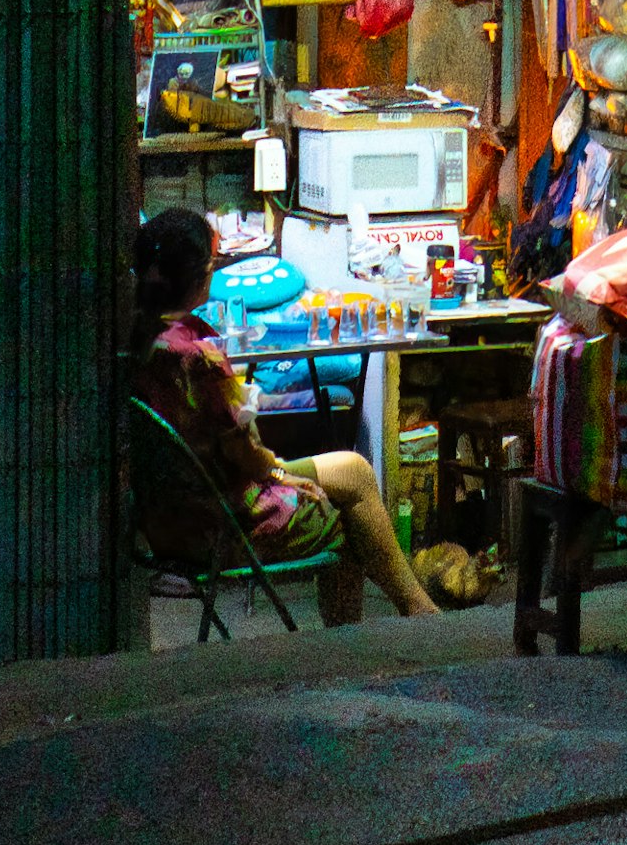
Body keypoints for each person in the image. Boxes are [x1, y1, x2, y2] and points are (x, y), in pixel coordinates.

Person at [128, 208, 434, 621]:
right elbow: (243, 453)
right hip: (226, 522)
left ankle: (412, 611)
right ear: (199, 277)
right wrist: (279, 473)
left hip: (170, 521)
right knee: (352, 511)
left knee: (352, 471)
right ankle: (408, 614)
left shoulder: (138, 343)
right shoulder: (196, 358)